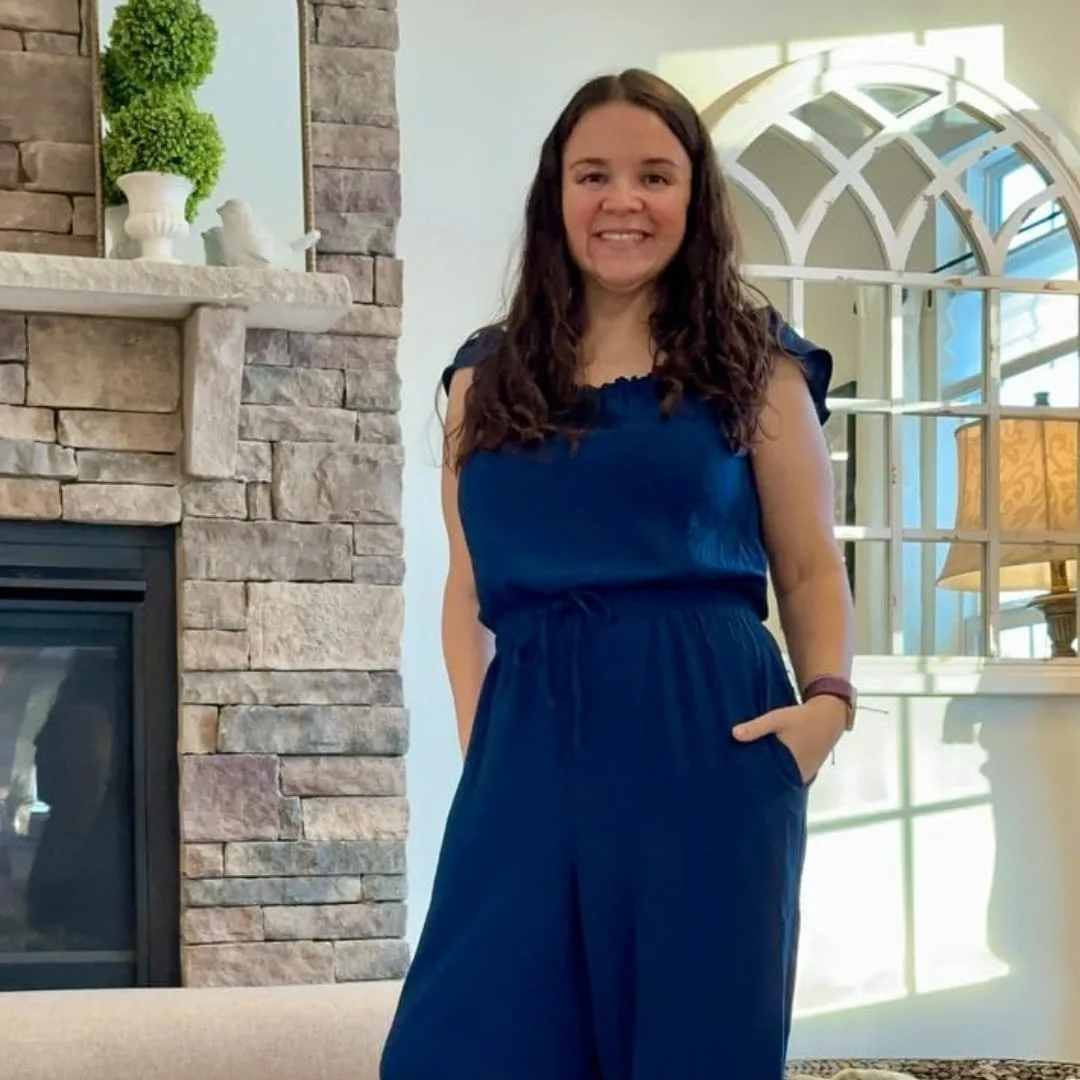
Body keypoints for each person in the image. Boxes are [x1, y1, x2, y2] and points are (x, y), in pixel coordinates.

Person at [381, 68, 856, 1080]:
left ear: (695, 196)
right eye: (594, 174)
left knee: (691, 1049)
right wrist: (487, 747)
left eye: (655, 174)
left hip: (708, 739)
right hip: (531, 748)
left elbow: (811, 563)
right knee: (461, 1046)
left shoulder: (757, 366)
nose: (624, 201)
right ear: (557, 195)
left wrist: (826, 708)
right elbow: (468, 592)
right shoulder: (482, 378)